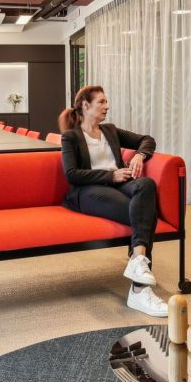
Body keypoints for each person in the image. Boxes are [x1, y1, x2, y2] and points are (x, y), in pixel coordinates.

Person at [58, 85, 168, 317]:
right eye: (101, 102)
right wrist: (111, 175)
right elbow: (72, 174)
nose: (107, 106)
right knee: (145, 213)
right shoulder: (71, 136)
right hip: (88, 191)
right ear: (85, 105)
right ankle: (140, 291)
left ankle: (138, 260)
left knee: (146, 184)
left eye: (106, 102)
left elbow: (147, 139)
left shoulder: (110, 130)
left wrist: (139, 155)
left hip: (119, 185)